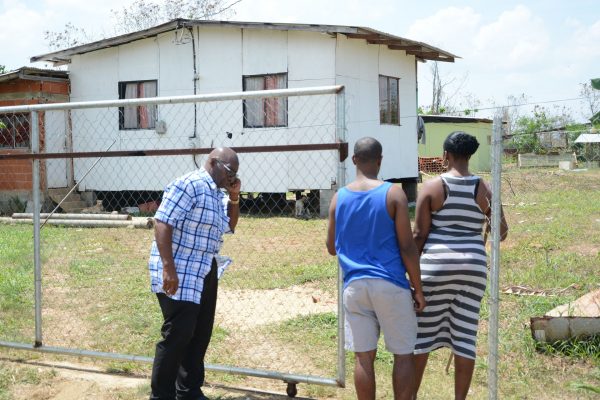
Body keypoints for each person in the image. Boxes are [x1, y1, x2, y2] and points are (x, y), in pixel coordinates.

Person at [326, 137, 426, 400]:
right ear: (380, 160)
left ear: (354, 160)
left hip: (355, 287)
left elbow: (331, 247)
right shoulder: (393, 193)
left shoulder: (339, 198)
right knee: (403, 354)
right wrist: (418, 288)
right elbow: (407, 246)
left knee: (363, 357)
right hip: (390, 284)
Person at [412, 131, 508, 400]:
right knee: (465, 338)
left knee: (421, 339)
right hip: (474, 269)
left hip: (435, 267)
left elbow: (419, 235)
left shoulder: (431, 187)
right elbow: (501, 231)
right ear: (469, 156)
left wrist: (408, 271)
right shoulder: (485, 189)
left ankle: (410, 396)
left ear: (446, 156)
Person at [148, 147, 241, 400]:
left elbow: (230, 225)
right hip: (180, 269)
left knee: (199, 335)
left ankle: (188, 391)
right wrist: (169, 268)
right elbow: (163, 222)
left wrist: (234, 196)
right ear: (214, 162)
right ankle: (161, 396)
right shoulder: (189, 184)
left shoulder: (216, 193)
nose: (231, 178)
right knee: (178, 336)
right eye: (230, 172)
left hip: (204, 269)